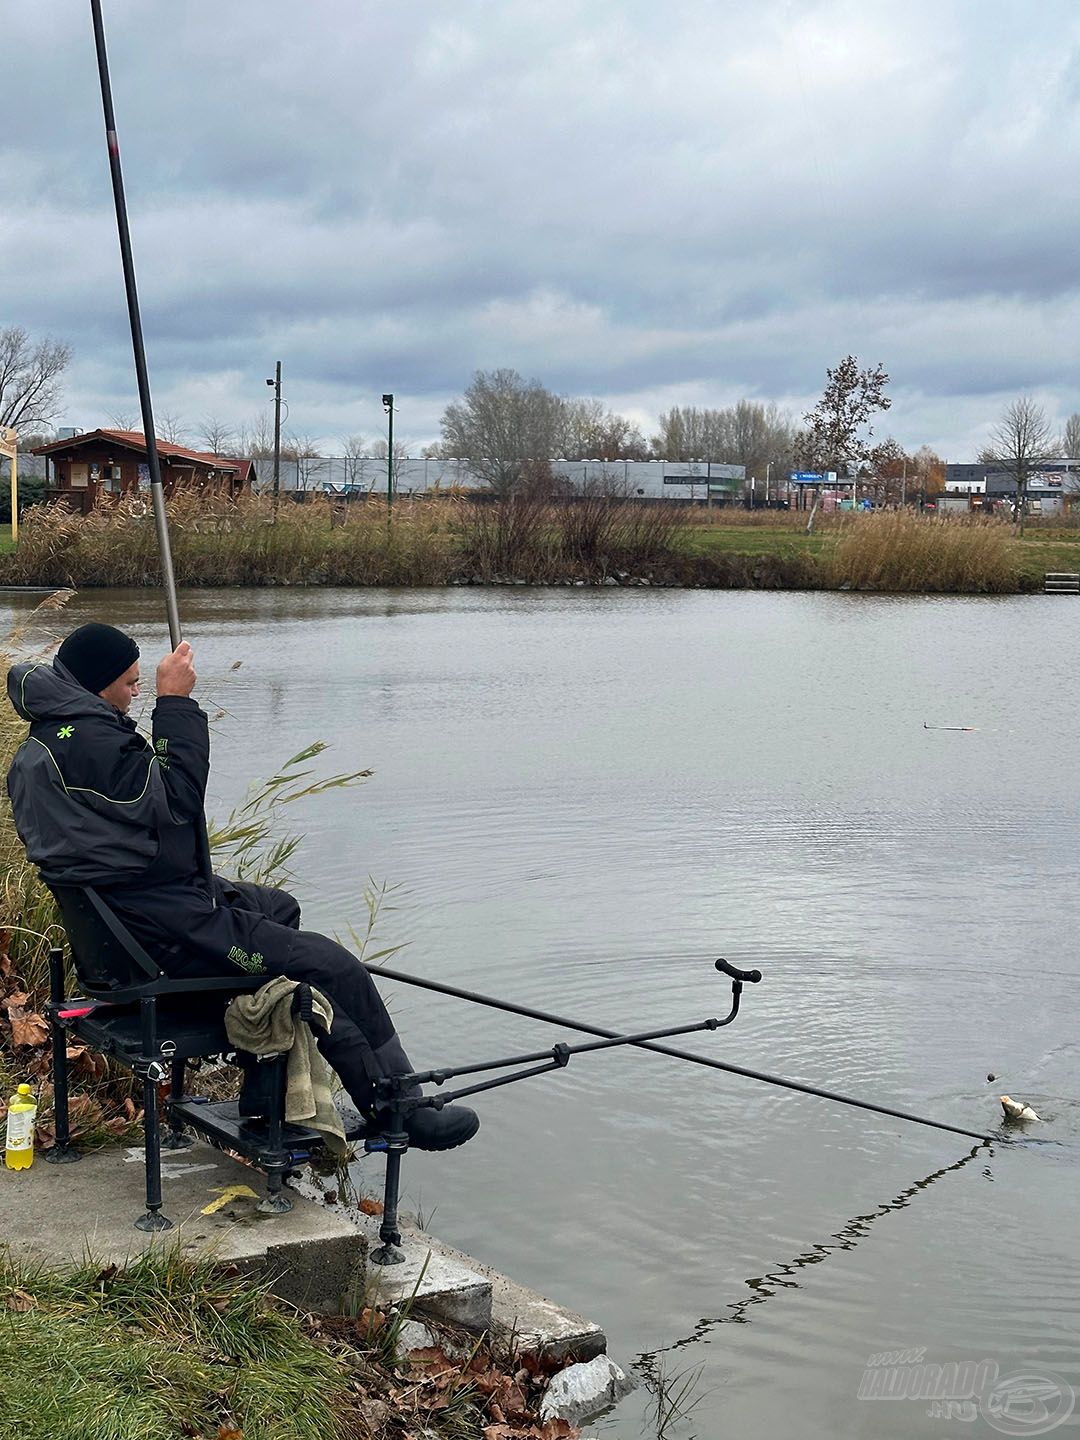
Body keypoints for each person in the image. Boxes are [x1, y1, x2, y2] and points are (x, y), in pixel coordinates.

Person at [6, 622, 479, 1151]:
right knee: (330, 966)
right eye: (130, 682)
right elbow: (178, 801)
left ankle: (263, 1087)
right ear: (98, 683)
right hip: (163, 934)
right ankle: (402, 1108)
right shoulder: (90, 741)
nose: (137, 690)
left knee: (278, 907)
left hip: (134, 915)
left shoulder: (52, 736)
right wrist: (174, 704)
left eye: (143, 682)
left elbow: (122, 836)